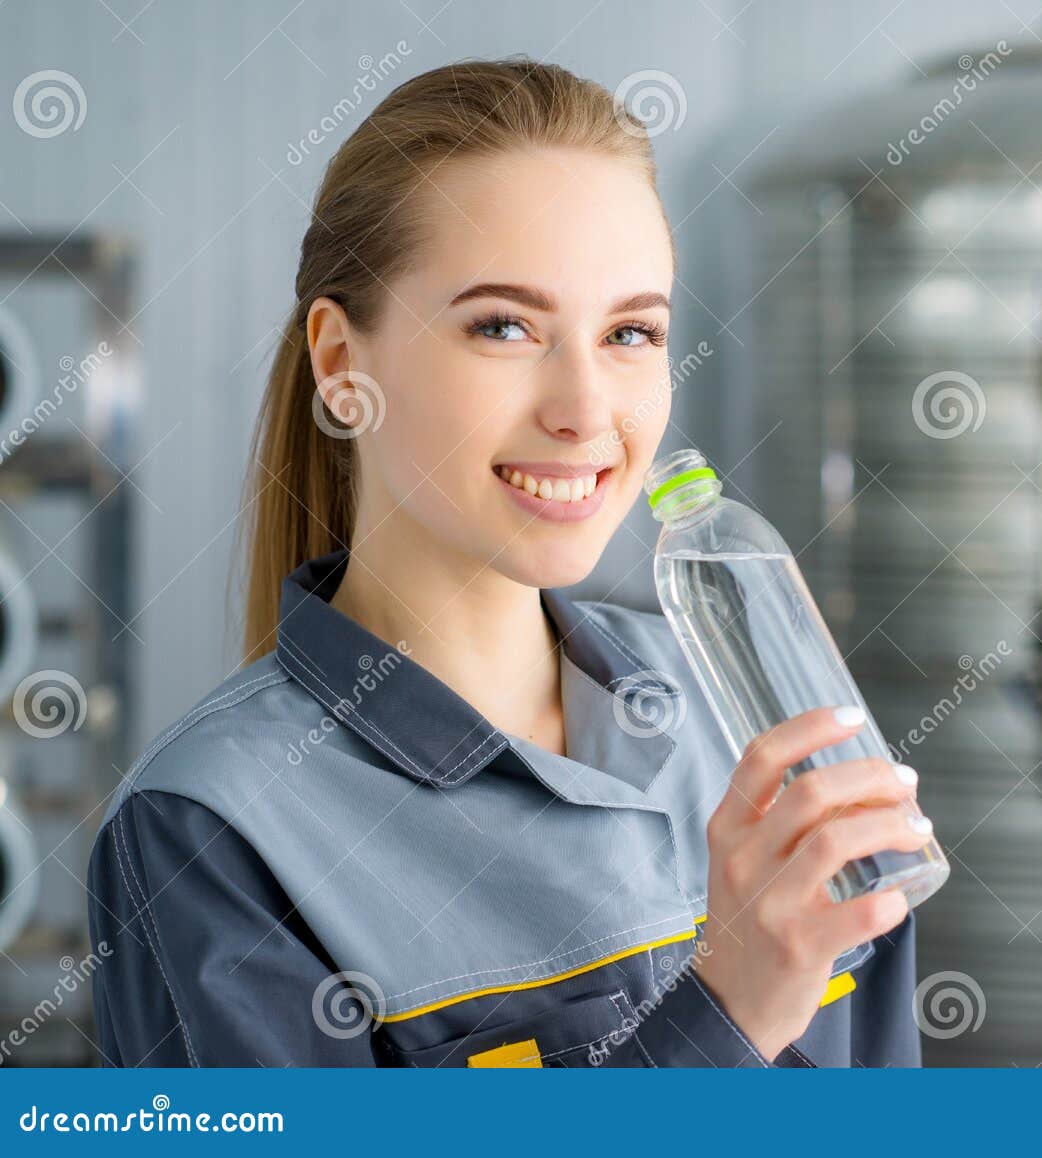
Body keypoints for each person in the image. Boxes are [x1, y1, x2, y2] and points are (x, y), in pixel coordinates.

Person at [85, 57, 931, 1067]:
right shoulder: (212, 829)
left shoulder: (745, 706)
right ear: (342, 363)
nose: (583, 410)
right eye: (503, 326)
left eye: (630, 332)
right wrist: (729, 1009)